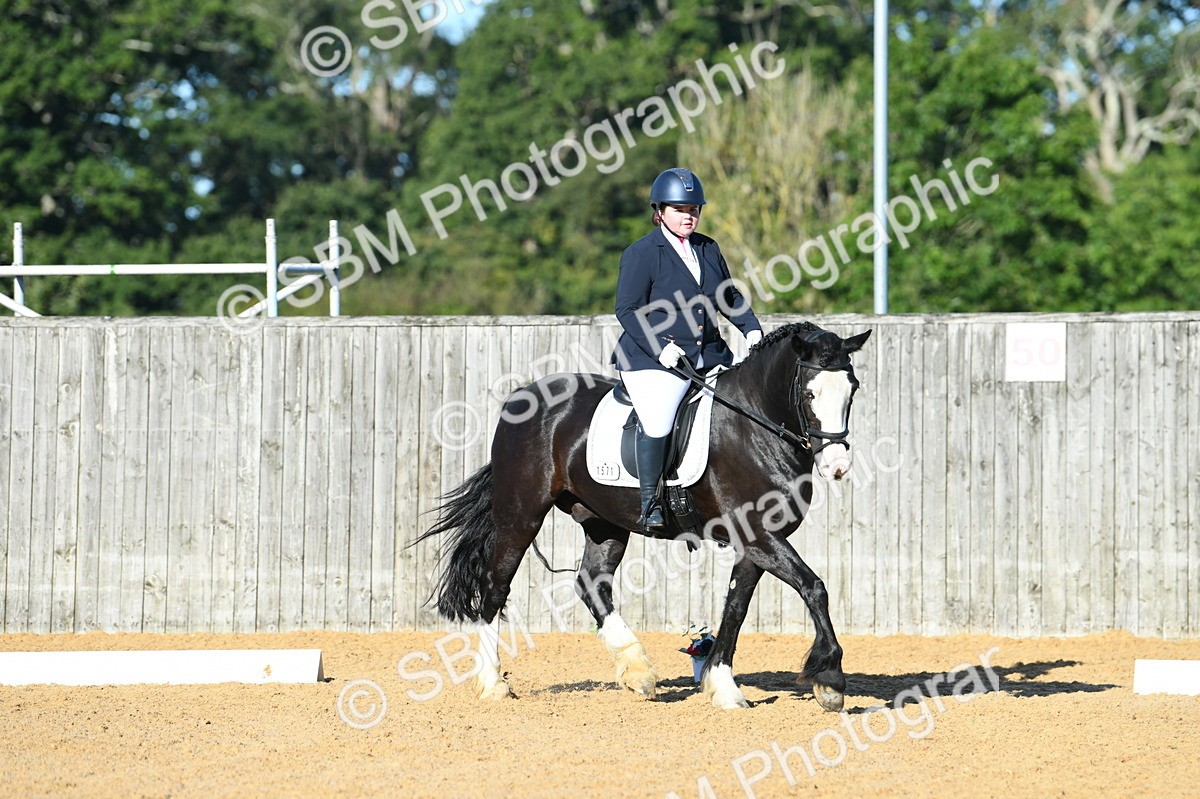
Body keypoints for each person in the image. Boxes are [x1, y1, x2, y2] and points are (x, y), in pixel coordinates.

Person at [611, 167, 763, 531]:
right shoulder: (643, 253)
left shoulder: (708, 249)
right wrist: (659, 348)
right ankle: (650, 503)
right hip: (653, 360)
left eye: (694, 208)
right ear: (660, 211)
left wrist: (752, 330)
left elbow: (728, 295)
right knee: (660, 417)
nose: (689, 215)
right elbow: (626, 309)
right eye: (680, 209)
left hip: (707, 355)